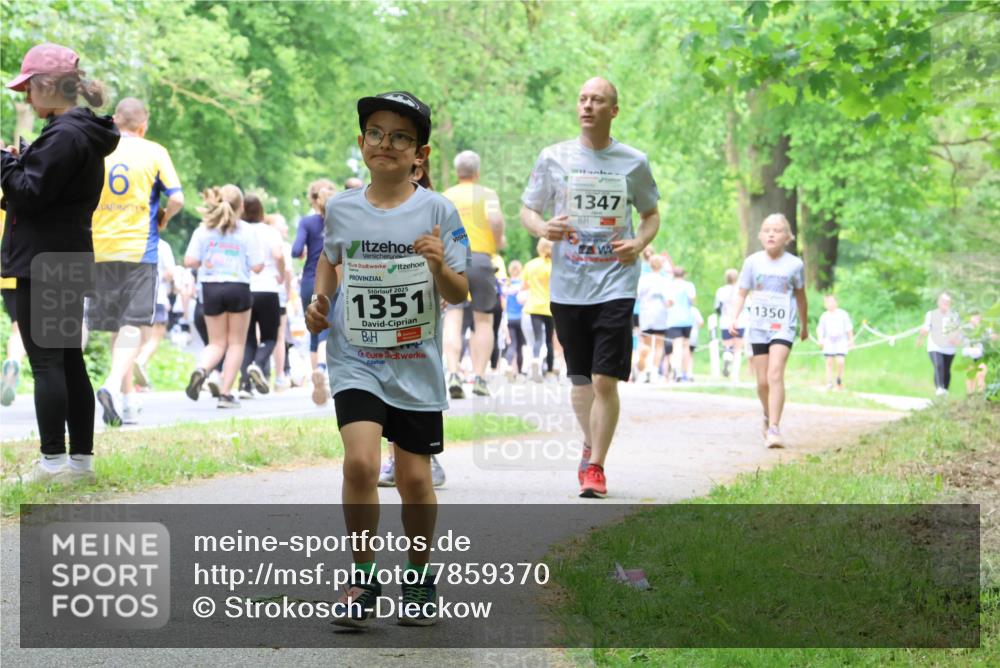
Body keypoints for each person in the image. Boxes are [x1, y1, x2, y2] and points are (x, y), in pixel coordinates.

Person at [305, 91, 469, 627]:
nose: (386, 144)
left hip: (414, 364)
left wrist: (441, 266)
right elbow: (330, 262)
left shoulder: (439, 210)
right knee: (360, 462)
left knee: (416, 481)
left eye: (400, 136)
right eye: (376, 132)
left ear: (418, 153)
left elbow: (461, 291)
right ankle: (362, 577)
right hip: (355, 357)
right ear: (361, 143)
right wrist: (319, 300)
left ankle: (419, 578)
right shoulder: (341, 208)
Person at [520, 77, 661, 498]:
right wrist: (544, 227)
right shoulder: (554, 157)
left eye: (597, 100)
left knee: (604, 380)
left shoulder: (633, 162)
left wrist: (638, 242)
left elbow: (651, 214)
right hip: (568, 285)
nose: (587, 106)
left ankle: (595, 466)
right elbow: (529, 208)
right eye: (582, 99)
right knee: (580, 381)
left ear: (613, 110)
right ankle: (590, 443)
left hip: (615, 282)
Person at [1, 42, 120, 484]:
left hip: (44, 261)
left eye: (29, 88)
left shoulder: (65, 134)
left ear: (49, 85)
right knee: (67, 361)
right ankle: (79, 464)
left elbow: (30, 193)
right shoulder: (77, 132)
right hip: (65, 256)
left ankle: (52, 463)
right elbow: (41, 183)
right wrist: (18, 161)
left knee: (49, 363)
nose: (26, 98)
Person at [88, 97, 184, 426]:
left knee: (116, 326)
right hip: (139, 249)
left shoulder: (99, 150)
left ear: (115, 121)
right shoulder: (154, 151)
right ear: (143, 126)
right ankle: (113, 385)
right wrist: (165, 220)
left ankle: (128, 402)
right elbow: (177, 198)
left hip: (100, 248)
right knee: (132, 325)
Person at [379, 160, 447, 490]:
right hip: (384, 312)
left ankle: (425, 456)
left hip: (423, 313)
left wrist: (444, 278)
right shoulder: (374, 207)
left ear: (418, 171)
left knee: (417, 376)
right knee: (389, 379)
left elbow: (453, 262)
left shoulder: (435, 208)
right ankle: (395, 457)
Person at [728, 213, 808, 449]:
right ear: (761, 236)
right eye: (767, 230)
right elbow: (742, 292)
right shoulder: (752, 262)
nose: (772, 233)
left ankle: (774, 427)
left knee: (775, 374)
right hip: (759, 327)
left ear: (788, 237)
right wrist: (734, 317)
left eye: (778, 230)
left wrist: (804, 325)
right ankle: (767, 412)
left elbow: (801, 297)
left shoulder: (795, 264)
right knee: (762, 382)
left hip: (784, 326)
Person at [183, 185, 263, 408]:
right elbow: (257, 266)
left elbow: (189, 260)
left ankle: (202, 369)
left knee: (216, 342)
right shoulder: (247, 230)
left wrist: (209, 259)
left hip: (210, 288)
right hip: (238, 286)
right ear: (242, 206)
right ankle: (226, 394)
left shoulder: (203, 230)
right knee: (236, 343)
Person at [442, 151, 505, 398]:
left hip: (453, 259)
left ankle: (455, 373)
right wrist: (497, 241)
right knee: (483, 320)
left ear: (458, 172)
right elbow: (496, 221)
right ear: (477, 172)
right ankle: (479, 377)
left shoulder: (446, 196)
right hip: (480, 258)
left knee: (453, 316)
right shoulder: (487, 194)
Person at [293, 179, 335, 405]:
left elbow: (296, 250)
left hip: (309, 280)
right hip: (333, 279)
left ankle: (318, 382)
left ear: (313, 199)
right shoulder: (340, 222)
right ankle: (322, 369)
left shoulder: (307, 223)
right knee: (328, 328)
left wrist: (305, 252)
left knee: (313, 329)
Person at [238, 194, 285, 398]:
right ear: (261, 211)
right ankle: (258, 364)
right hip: (267, 288)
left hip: (245, 287)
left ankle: (243, 386)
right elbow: (278, 255)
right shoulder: (269, 231)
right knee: (270, 336)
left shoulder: (238, 231)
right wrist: (281, 273)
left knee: (247, 340)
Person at [131, 235, 176, 399]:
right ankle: (141, 361)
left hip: (137, 297)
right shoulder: (162, 245)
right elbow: (170, 272)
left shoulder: (134, 241)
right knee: (155, 338)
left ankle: (139, 381)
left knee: (142, 339)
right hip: (157, 297)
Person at [520, 238, 556, 382]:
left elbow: (524, 285)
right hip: (550, 307)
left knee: (537, 339)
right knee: (549, 340)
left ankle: (535, 360)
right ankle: (550, 371)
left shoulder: (531, 265)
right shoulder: (554, 265)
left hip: (534, 305)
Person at [0, 207, 26, 406]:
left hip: (5, 269)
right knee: (32, 330)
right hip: (26, 265)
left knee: (17, 328)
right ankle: (17, 362)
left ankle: (13, 361)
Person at [267, 213, 295, 392]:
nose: (285, 228)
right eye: (282, 224)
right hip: (276, 294)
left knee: (257, 335)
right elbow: (288, 271)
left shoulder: (256, 240)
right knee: (279, 337)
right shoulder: (283, 247)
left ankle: (258, 372)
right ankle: (279, 377)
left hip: (255, 293)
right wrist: (288, 290)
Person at [917, 292, 962, 396]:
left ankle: (945, 390)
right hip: (935, 346)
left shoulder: (954, 315)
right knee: (939, 365)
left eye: (947, 302)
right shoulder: (931, 314)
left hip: (949, 348)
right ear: (938, 302)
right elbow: (926, 328)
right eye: (943, 301)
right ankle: (939, 389)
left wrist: (956, 338)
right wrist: (921, 336)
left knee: (946, 369)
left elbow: (957, 330)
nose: (945, 304)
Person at [635, 253, 671, 382]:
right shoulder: (664, 280)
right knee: (659, 344)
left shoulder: (644, 279)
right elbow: (669, 300)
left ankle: (644, 369)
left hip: (646, 313)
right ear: (661, 266)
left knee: (646, 343)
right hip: (660, 314)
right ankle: (655, 371)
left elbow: (637, 295)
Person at [665, 266, 696, 382]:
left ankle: (677, 370)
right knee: (686, 346)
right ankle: (688, 372)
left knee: (676, 346)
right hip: (687, 319)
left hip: (673, 320)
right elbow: (692, 300)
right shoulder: (689, 286)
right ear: (684, 275)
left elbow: (668, 303)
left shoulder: (670, 286)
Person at [817, 294, 854, 391]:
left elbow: (848, 328)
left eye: (832, 301)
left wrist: (851, 340)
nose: (830, 304)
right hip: (829, 341)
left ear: (836, 303)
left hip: (841, 341)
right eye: (828, 302)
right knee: (829, 362)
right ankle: (829, 382)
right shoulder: (824, 316)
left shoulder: (843, 314)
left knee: (840, 361)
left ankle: (839, 380)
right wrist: (820, 340)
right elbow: (820, 329)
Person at [714, 268, 746, 379]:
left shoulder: (720, 291)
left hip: (725, 321)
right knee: (738, 349)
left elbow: (717, 308)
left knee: (727, 345)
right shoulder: (742, 291)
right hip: (740, 321)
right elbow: (748, 307)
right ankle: (735, 374)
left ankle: (727, 359)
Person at [502, 259, 526, 379]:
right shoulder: (523, 284)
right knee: (519, 346)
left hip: (510, 319)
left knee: (512, 344)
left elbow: (504, 304)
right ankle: (519, 372)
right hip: (521, 318)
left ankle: (507, 365)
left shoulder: (507, 284)